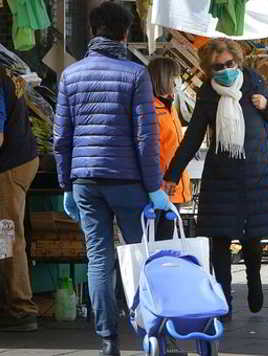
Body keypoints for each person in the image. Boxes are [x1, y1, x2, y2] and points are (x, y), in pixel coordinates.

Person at [53, 3, 170, 354]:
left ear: (92, 31)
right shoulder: (135, 74)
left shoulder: (70, 76)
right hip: (129, 182)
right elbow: (145, 138)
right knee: (139, 254)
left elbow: (61, 138)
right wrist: (154, 188)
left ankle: (108, 339)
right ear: (124, 33)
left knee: (99, 258)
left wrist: (67, 185)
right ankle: (151, 329)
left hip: (86, 181)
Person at [162, 39, 268, 320]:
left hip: (255, 171)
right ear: (208, 69)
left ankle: (254, 281)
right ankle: (223, 296)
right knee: (219, 237)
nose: (226, 70)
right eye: (219, 67)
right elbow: (193, 136)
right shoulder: (207, 93)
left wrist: (266, 105)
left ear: (238, 61)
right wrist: (172, 175)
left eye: (230, 64)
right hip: (221, 174)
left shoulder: (253, 81)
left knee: (253, 237)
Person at [0, 68, 39, 332]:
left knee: (8, 236)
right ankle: (11, 303)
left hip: (9, 166)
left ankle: (20, 308)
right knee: (5, 236)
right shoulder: (7, 73)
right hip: (20, 160)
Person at [147, 57, 191, 238]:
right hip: (159, 188)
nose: (177, 81)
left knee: (165, 241)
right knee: (155, 241)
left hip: (173, 187)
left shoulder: (169, 107)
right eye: (175, 77)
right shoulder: (150, 109)